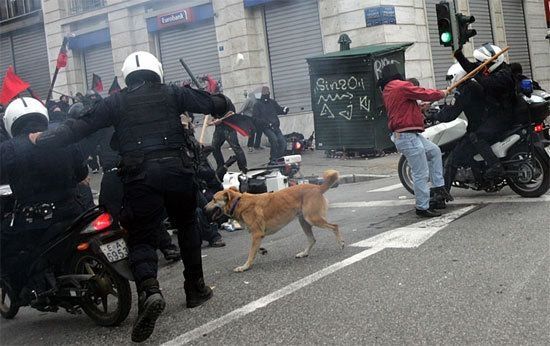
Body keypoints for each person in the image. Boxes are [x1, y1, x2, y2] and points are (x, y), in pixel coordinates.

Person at [28, 51, 235, 342]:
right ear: (156, 71)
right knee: (188, 225)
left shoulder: (115, 101)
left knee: (141, 235)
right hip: (178, 172)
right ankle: (195, 288)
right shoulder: (173, 92)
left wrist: (43, 139)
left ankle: (150, 291)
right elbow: (213, 104)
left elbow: (79, 126)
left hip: (140, 177)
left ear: (128, 76)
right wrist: (222, 100)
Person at [0, 97, 88, 306]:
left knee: (6, 245)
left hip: (35, 218)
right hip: (74, 208)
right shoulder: (62, 135)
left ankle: (25, 292)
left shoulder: (8, 148)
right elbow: (82, 172)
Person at [378, 64, 452, 217]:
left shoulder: (388, 90)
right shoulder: (400, 86)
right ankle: (422, 207)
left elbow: (403, 110)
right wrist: (441, 93)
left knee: (434, 151)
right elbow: (422, 92)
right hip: (407, 135)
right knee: (421, 172)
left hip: (408, 134)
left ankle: (439, 188)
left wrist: (420, 109)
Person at [96, 127, 181, 261]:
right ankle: (166, 247)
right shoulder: (122, 124)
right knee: (146, 211)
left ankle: (157, 248)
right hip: (128, 172)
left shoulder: (100, 128)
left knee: (111, 213)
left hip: (116, 175)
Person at [454, 44, 516, 178]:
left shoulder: (503, 75)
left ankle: (495, 166)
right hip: (497, 114)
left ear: (491, 62)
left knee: (476, 136)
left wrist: (476, 74)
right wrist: (458, 54)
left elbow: (488, 84)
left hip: (504, 116)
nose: (480, 66)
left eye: (481, 64)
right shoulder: (497, 70)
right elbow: (472, 68)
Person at [431, 63, 488, 195]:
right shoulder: (473, 85)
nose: (450, 81)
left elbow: (452, 113)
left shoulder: (465, 89)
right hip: (485, 125)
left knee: (452, 159)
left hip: (477, 129)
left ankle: (441, 195)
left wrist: (435, 115)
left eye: (451, 77)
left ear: (457, 75)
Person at [252, 86, 289, 164]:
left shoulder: (272, 102)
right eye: (265, 92)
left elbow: (279, 110)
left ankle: (278, 157)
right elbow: (255, 118)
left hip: (275, 126)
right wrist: (265, 123)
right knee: (274, 140)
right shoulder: (257, 105)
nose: (267, 93)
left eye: (267, 92)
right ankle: (273, 159)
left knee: (283, 142)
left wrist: (284, 110)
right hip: (266, 127)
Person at [210, 106, 248, 173]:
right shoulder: (212, 103)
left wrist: (221, 119)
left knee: (236, 147)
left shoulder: (226, 101)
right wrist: (213, 120)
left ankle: (243, 168)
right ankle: (220, 166)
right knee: (214, 147)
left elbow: (232, 113)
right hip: (218, 129)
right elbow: (212, 117)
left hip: (229, 128)